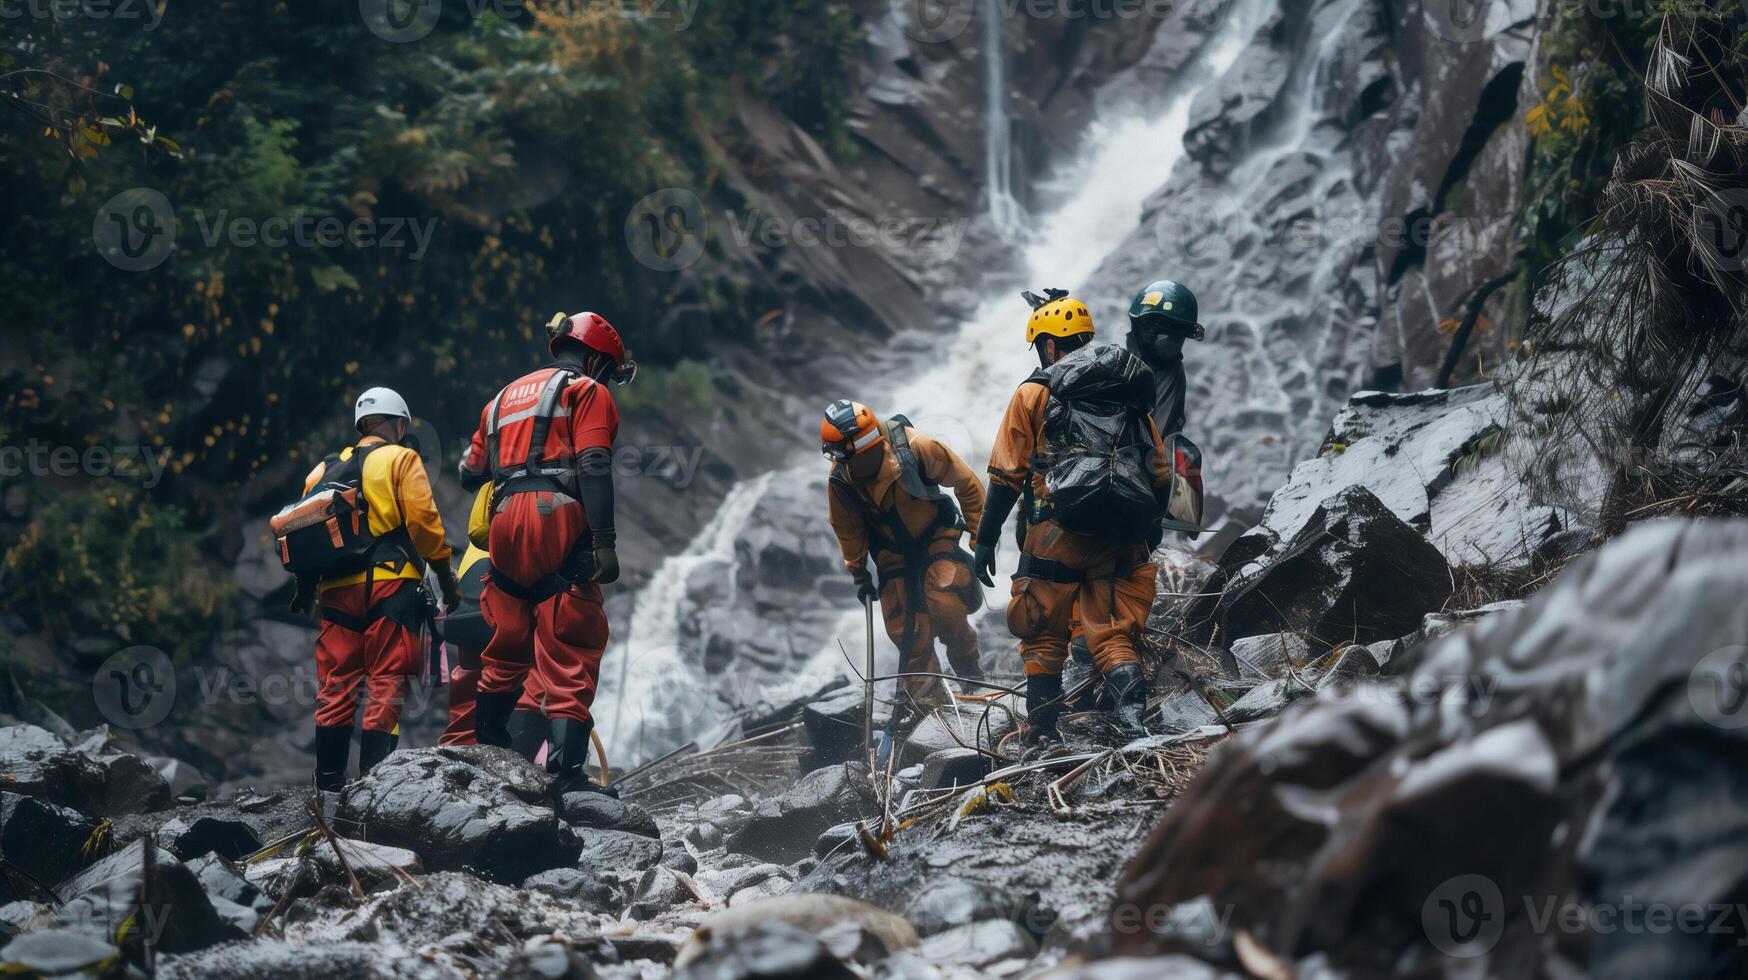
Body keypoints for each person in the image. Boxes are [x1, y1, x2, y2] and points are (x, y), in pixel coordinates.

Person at [973, 295, 1174, 742]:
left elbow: (1006, 475)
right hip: (1120, 534)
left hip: (1054, 535)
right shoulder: (1127, 390)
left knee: (1043, 636)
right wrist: (1149, 529)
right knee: (1111, 635)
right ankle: (1134, 721)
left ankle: (1042, 733)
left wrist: (985, 539)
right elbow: (1159, 471)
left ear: (1048, 345)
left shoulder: (1034, 392)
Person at [457, 311, 634, 796]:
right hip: (554, 515)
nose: (608, 379)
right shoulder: (586, 392)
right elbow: (594, 463)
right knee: (572, 638)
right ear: (597, 357)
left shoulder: (500, 399)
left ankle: (495, 760)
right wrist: (603, 542)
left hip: (504, 521)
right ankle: (566, 777)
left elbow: (470, 472)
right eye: (609, 369)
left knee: (509, 643)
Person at [303, 387, 459, 789]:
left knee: (337, 685)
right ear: (399, 424)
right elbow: (424, 521)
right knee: (386, 680)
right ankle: (373, 785)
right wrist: (444, 573)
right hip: (390, 584)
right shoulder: (400, 457)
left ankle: (328, 786)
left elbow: (304, 533)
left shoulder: (320, 472)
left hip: (335, 590)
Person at [822, 401, 986, 726]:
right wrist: (858, 573)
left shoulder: (915, 448)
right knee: (907, 629)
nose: (854, 464)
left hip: (936, 536)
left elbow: (965, 482)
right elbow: (848, 530)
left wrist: (981, 539)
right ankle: (932, 710)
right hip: (893, 553)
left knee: (945, 603)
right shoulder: (841, 483)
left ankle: (972, 678)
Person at [1124, 279, 1203, 439]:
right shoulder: (1115, 362)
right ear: (1145, 329)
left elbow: (1162, 439)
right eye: (1170, 336)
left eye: (1179, 337)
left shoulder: (1172, 373)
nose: (1175, 344)